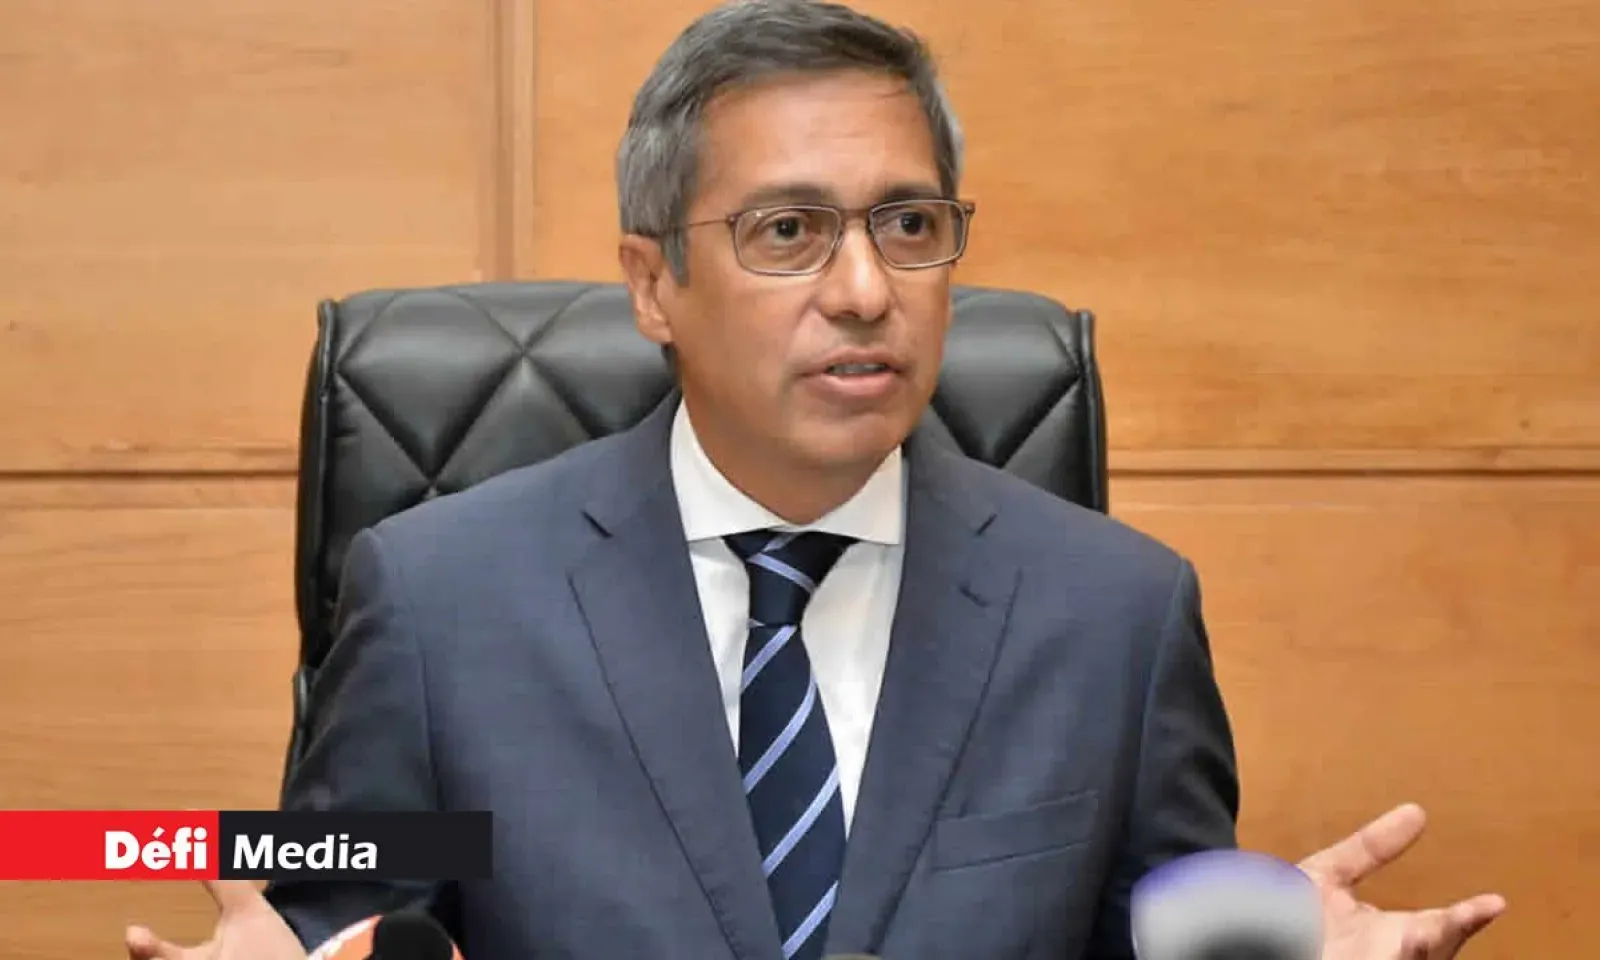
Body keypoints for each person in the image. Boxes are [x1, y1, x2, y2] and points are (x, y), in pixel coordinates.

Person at [124, 2, 1505, 959]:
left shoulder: (1115, 620)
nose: (863, 289)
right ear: (653, 285)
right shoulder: (440, 606)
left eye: (908, 224)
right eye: (788, 230)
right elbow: (345, 936)